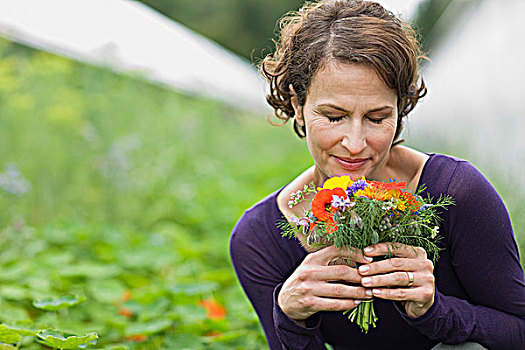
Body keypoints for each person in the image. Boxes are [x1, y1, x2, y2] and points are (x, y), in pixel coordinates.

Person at [229, 1, 525, 349]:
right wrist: (290, 316)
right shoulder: (258, 239)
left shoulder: (457, 192)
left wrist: (435, 310)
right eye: (335, 116)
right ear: (298, 105)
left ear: (401, 109)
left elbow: (518, 331)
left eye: (377, 117)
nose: (355, 144)